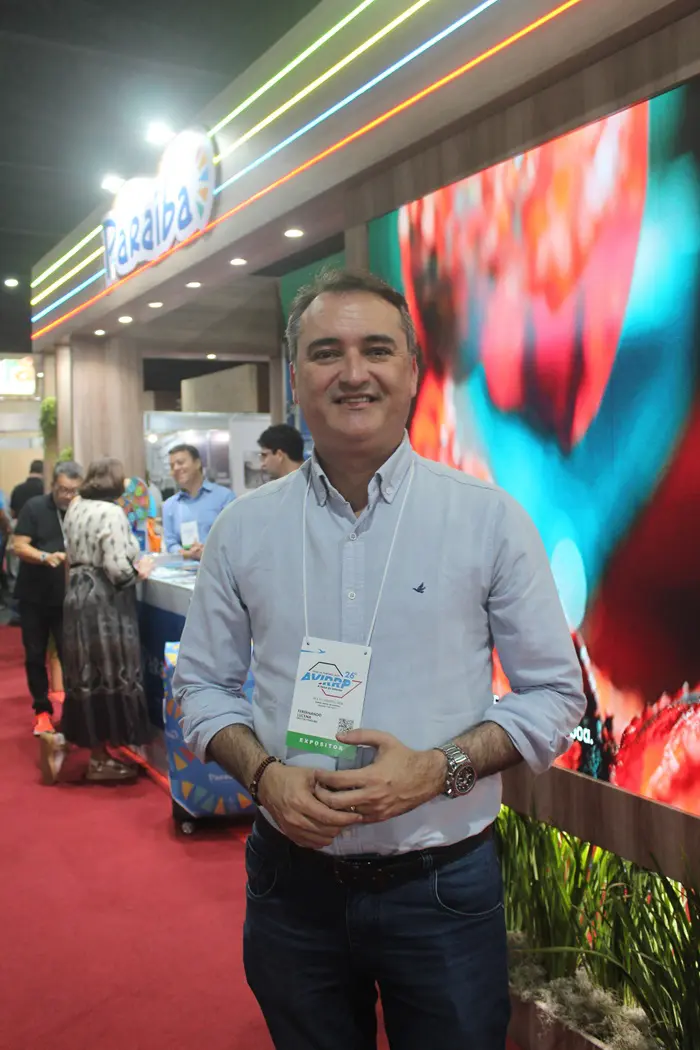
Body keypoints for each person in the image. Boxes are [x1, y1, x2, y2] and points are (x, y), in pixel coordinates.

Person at [173, 269, 586, 1050]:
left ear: (413, 371)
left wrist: (439, 769)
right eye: (326, 352)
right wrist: (264, 776)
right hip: (290, 886)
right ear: (296, 376)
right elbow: (201, 685)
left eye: (377, 349)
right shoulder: (243, 529)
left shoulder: (487, 519)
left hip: (442, 885)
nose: (353, 372)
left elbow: (555, 694)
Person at [39, 457, 155, 785]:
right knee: (112, 672)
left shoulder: (76, 508)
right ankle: (100, 760)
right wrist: (140, 571)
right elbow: (117, 570)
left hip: (78, 597)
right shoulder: (111, 512)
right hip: (105, 602)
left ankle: (82, 746)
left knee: (87, 675)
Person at [13, 461, 82, 735]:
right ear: (53, 485)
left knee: (71, 656)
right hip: (35, 596)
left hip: (69, 599)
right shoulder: (34, 507)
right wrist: (45, 557)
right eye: (63, 489)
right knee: (35, 654)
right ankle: (42, 709)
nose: (68, 496)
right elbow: (19, 545)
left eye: (74, 490)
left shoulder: (81, 509)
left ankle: (74, 712)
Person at [162, 444, 235, 561]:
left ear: (197, 463)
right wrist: (187, 553)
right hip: (183, 570)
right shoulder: (169, 505)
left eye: (180, 463)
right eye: (172, 466)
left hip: (218, 568)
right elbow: (171, 544)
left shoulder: (224, 497)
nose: (175, 468)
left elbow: (233, 538)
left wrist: (207, 551)